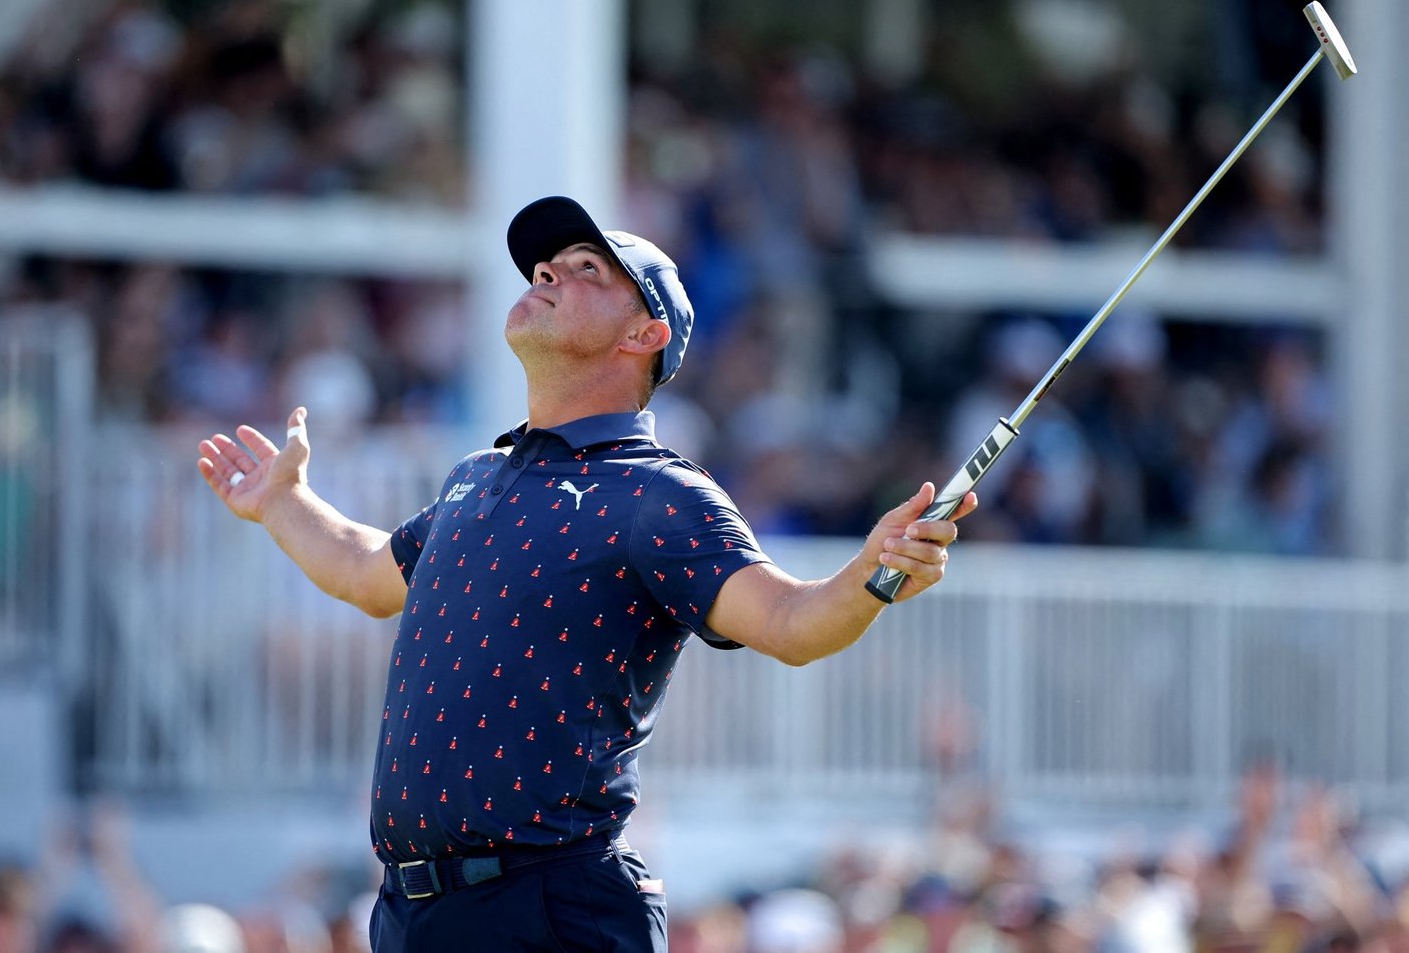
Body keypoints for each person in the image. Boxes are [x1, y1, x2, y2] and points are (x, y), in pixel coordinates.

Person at [196, 196, 973, 953]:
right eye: (545, 266)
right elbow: (369, 575)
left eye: (587, 269)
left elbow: (792, 624)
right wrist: (283, 503)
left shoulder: (659, 494)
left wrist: (874, 573)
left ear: (646, 332)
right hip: (414, 914)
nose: (546, 273)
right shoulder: (476, 477)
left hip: (553, 909)